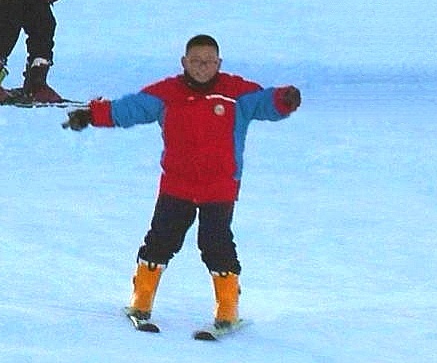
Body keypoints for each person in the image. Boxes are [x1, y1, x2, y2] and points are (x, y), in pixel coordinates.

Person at [63, 35, 302, 330]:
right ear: (184, 62)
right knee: (161, 239)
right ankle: (142, 298)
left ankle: (227, 306)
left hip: (219, 186)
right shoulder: (168, 93)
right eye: (196, 61)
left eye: (209, 62)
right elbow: (133, 108)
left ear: (219, 63)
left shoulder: (236, 93)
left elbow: (266, 102)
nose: (203, 67)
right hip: (177, 184)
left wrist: (284, 99)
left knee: (216, 243)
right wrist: (93, 114)